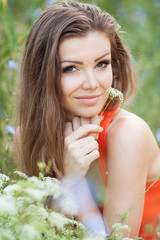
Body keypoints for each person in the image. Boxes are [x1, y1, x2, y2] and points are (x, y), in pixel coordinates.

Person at [14, 1, 160, 239]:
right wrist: (68, 176)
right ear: (43, 74)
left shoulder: (127, 134)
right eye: (71, 68)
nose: (92, 83)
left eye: (102, 64)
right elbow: (41, 232)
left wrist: (74, 186)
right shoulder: (27, 138)